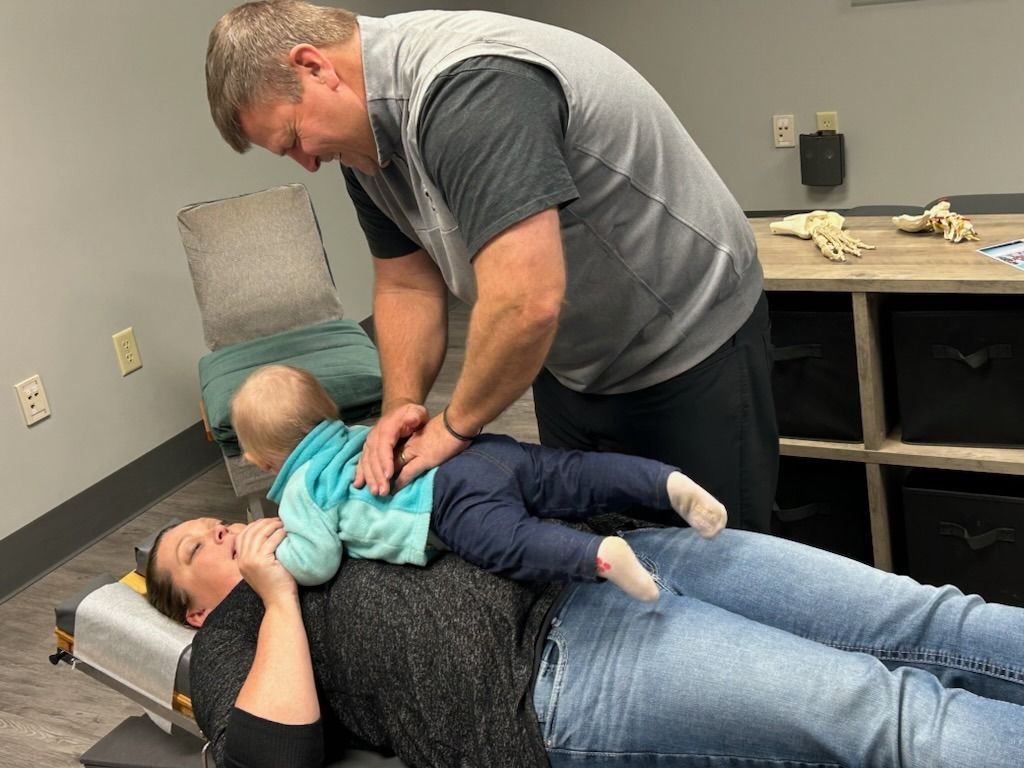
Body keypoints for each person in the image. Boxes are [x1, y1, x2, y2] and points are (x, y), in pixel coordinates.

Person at [204, 1, 779, 533]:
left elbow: (525, 302)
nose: (307, 163)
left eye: (294, 137)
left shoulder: (472, 90)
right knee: (602, 544)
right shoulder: (364, 152)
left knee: (722, 562)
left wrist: (454, 427)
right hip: (572, 361)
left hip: (685, 338)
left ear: (314, 67)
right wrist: (403, 405)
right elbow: (406, 282)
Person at [147, 514, 1024, 768]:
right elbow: (274, 758)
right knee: (886, 712)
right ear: (194, 607)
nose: (223, 532)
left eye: (219, 523)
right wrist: (273, 595)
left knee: (931, 618)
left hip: (610, 552)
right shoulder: (234, 638)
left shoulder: (314, 515)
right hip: (555, 674)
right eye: (198, 548)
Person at [228, 363, 726, 602]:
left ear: (263, 462)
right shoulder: (363, 435)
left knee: (508, 543)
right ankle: (664, 482)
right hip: (476, 452)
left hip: (447, 504)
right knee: (571, 473)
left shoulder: (299, 490)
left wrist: (279, 556)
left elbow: (316, 561)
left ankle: (599, 556)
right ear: (327, 412)